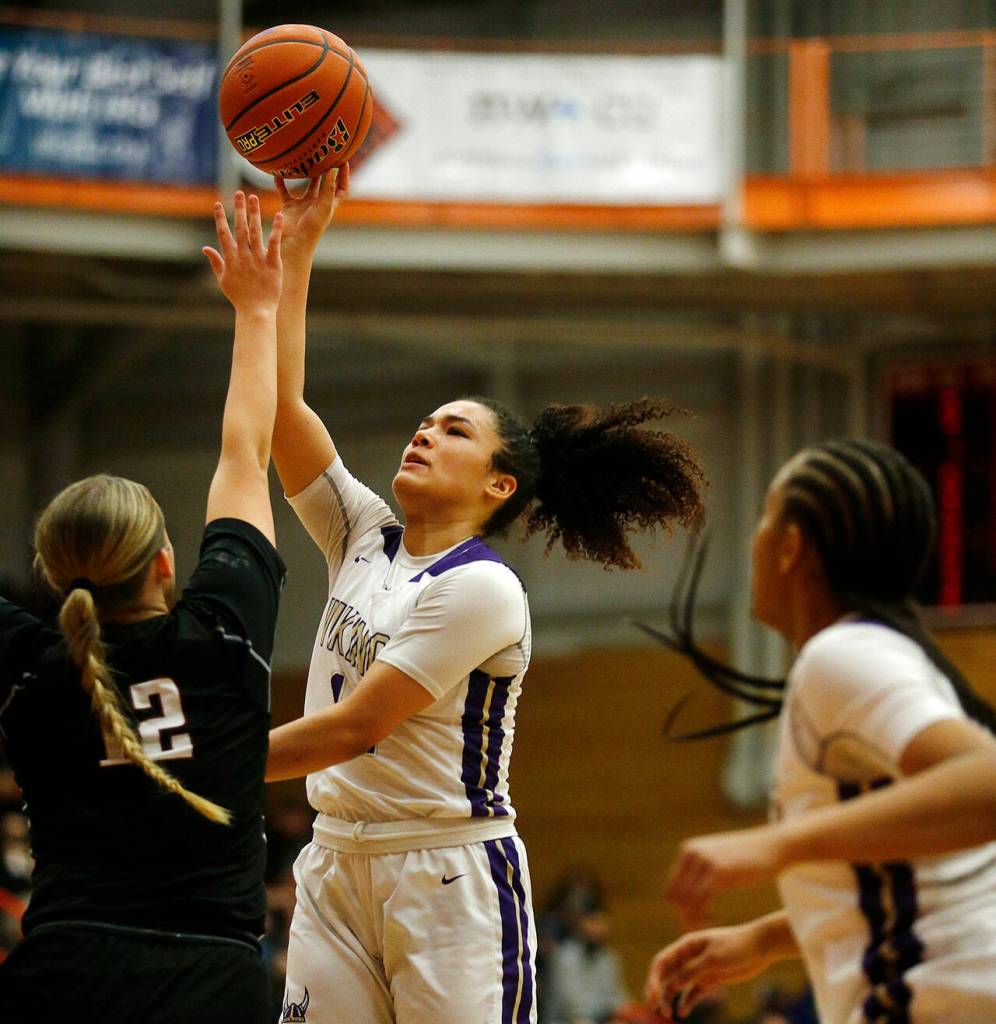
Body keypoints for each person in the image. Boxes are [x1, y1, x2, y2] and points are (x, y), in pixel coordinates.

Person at [262, 170, 707, 1024]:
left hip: (446, 876)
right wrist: (300, 252)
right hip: (332, 861)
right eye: (425, 421)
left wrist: (201, 760)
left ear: (500, 483)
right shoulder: (364, 533)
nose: (425, 432)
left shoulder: (482, 589)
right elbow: (283, 414)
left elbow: (358, 728)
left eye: (454, 429)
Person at [0, 193, 286, 1023]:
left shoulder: (28, 666)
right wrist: (258, 307)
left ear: (53, 580)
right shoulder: (225, 629)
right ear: (166, 561)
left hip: (64, 971)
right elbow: (245, 450)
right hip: (210, 982)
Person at [643, 439, 996, 1024]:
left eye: (765, 516)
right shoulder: (870, 655)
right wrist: (768, 938)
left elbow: (987, 783)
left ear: (789, 547)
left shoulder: (842, 655)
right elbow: (919, 871)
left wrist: (772, 844)